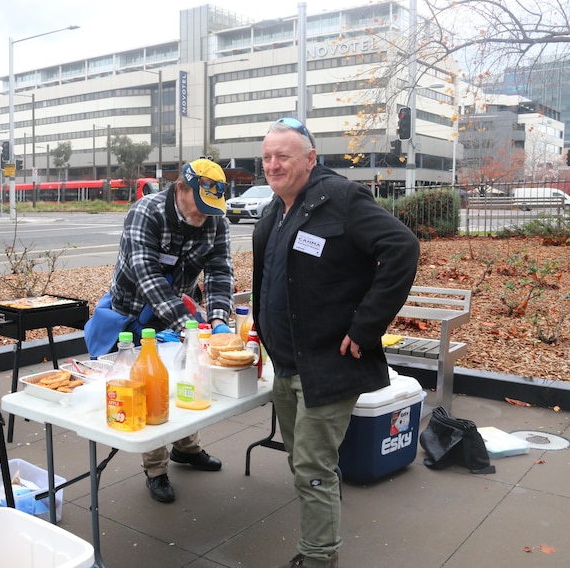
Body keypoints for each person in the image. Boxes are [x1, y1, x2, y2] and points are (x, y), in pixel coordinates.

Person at [252, 118, 419, 568]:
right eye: (267, 157)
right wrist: (259, 333)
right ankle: (322, 525)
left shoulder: (341, 199)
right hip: (285, 363)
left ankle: (320, 557)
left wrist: (366, 327)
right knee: (305, 462)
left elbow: (402, 248)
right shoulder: (275, 208)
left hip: (328, 361)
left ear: (310, 159)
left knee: (310, 467)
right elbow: (271, 278)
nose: (272, 165)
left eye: (283, 156)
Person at [85, 158, 235, 503]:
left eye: (209, 209)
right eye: (197, 207)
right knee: (146, 387)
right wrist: (190, 327)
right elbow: (147, 277)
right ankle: (156, 468)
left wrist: (218, 320)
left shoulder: (215, 220)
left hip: (178, 308)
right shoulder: (146, 212)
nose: (202, 216)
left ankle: (186, 446)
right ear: (180, 188)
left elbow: (219, 272)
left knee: (186, 374)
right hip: (134, 312)